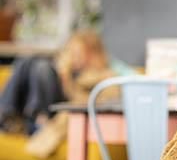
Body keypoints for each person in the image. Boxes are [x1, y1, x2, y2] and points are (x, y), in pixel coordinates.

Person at [0, 29, 129, 135]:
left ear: (91, 54)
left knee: (42, 67)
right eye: (70, 51)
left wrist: (65, 78)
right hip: (32, 109)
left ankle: (38, 119)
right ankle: (7, 113)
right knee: (27, 61)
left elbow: (82, 101)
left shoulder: (103, 77)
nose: (73, 57)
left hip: (57, 111)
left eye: (78, 53)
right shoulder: (72, 70)